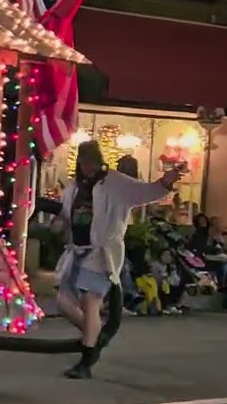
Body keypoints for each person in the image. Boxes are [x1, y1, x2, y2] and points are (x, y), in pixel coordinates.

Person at [52, 140, 183, 379]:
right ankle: (94, 339)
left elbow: (147, 191)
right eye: (84, 163)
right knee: (64, 301)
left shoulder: (115, 183)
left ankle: (86, 360)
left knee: (91, 301)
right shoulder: (74, 187)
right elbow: (65, 213)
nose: (89, 167)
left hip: (102, 253)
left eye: (92, 162)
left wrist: (168, 179)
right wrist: (59, 223)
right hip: (77, 250)